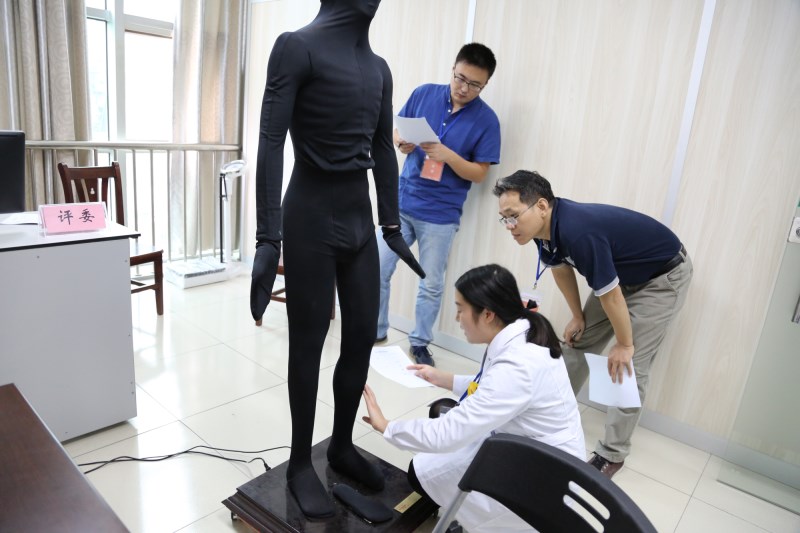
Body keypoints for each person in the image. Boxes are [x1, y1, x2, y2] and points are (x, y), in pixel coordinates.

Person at [248, 0, 424, 518]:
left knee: (361, 336)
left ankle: (342, 444)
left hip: (358, 218)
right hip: (310, 213)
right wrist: (267, 238)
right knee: (308, 343)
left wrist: (390, 224)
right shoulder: (296, 47)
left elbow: (383, 148)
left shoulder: (379, 69)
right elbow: (270, 141)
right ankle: (301, 461)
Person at [493, 170, 693, 478]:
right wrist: (578, 316)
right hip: (620, 275)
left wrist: (624, 344)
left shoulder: (578, 232)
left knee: (629, 365)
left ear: (542, 206)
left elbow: (610, 296)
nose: (509, 226)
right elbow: (560, 269)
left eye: (513, 216)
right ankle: (548, 412)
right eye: (504, 218)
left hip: (661, 278)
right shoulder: (541, 231)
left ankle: (612, 454)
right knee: (578, 341)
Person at [362, 264, 585, 532]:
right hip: (523, 442)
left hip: (541, 473)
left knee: (421, 472)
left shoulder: (519, 366)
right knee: (432, 453)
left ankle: (465, 518)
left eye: (460, 309)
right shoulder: (521, 329)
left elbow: (449, 433)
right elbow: (491, 386)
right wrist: (444, 378)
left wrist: (388, 427)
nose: (457, 318)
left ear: (488, 314)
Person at [376, 43, 501, 367]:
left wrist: (449, 156)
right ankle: (375, 330)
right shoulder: (424, 94)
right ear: (453, 69)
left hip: (440, 216)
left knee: (430, 284)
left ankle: (419, 343)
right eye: (460, 78)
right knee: (377, 268)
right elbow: (397, 132)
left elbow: (480, 173)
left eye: (474, 84)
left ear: (485, 84)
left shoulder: (488, 121)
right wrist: (402, 142)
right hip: (401, 203)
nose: (464, 88)